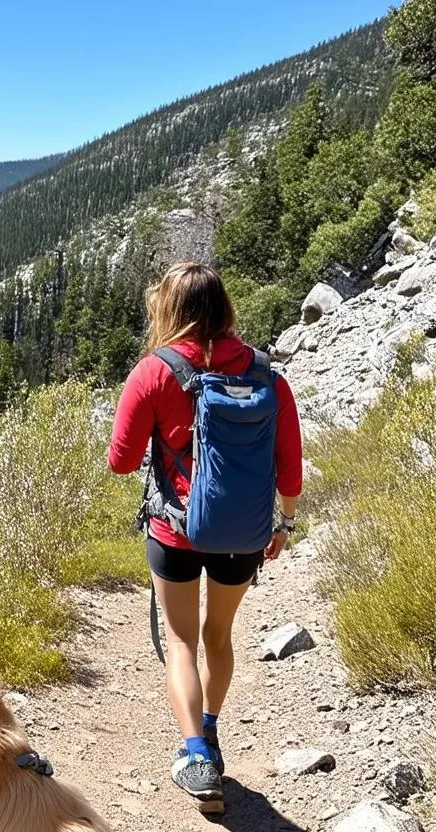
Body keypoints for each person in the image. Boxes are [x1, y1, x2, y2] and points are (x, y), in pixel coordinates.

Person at [108, 262, 302, 802]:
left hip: (175, 533)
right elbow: (290, 468)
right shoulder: (266, 374)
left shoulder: (155, 371)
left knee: (180, 642)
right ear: (225, 307)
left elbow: (121, 462)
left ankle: (194, 754)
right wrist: (283, 525)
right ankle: (211, 729)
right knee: (219, 636)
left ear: (169, 310)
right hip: (242, 535)